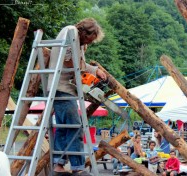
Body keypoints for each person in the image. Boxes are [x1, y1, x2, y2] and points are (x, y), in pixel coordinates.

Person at [48, 18, 107, 176]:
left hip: (61, 87)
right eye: (90, 39)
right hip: (62, 87)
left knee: (64, 127)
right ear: (85, 32)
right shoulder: (71, 33)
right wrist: (82, 71)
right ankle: (77, 167)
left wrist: (94, 71)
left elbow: (77, 63)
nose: (90, 42)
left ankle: (58, 165)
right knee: (75, 127)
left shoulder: (74, 37)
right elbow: (69, 61)